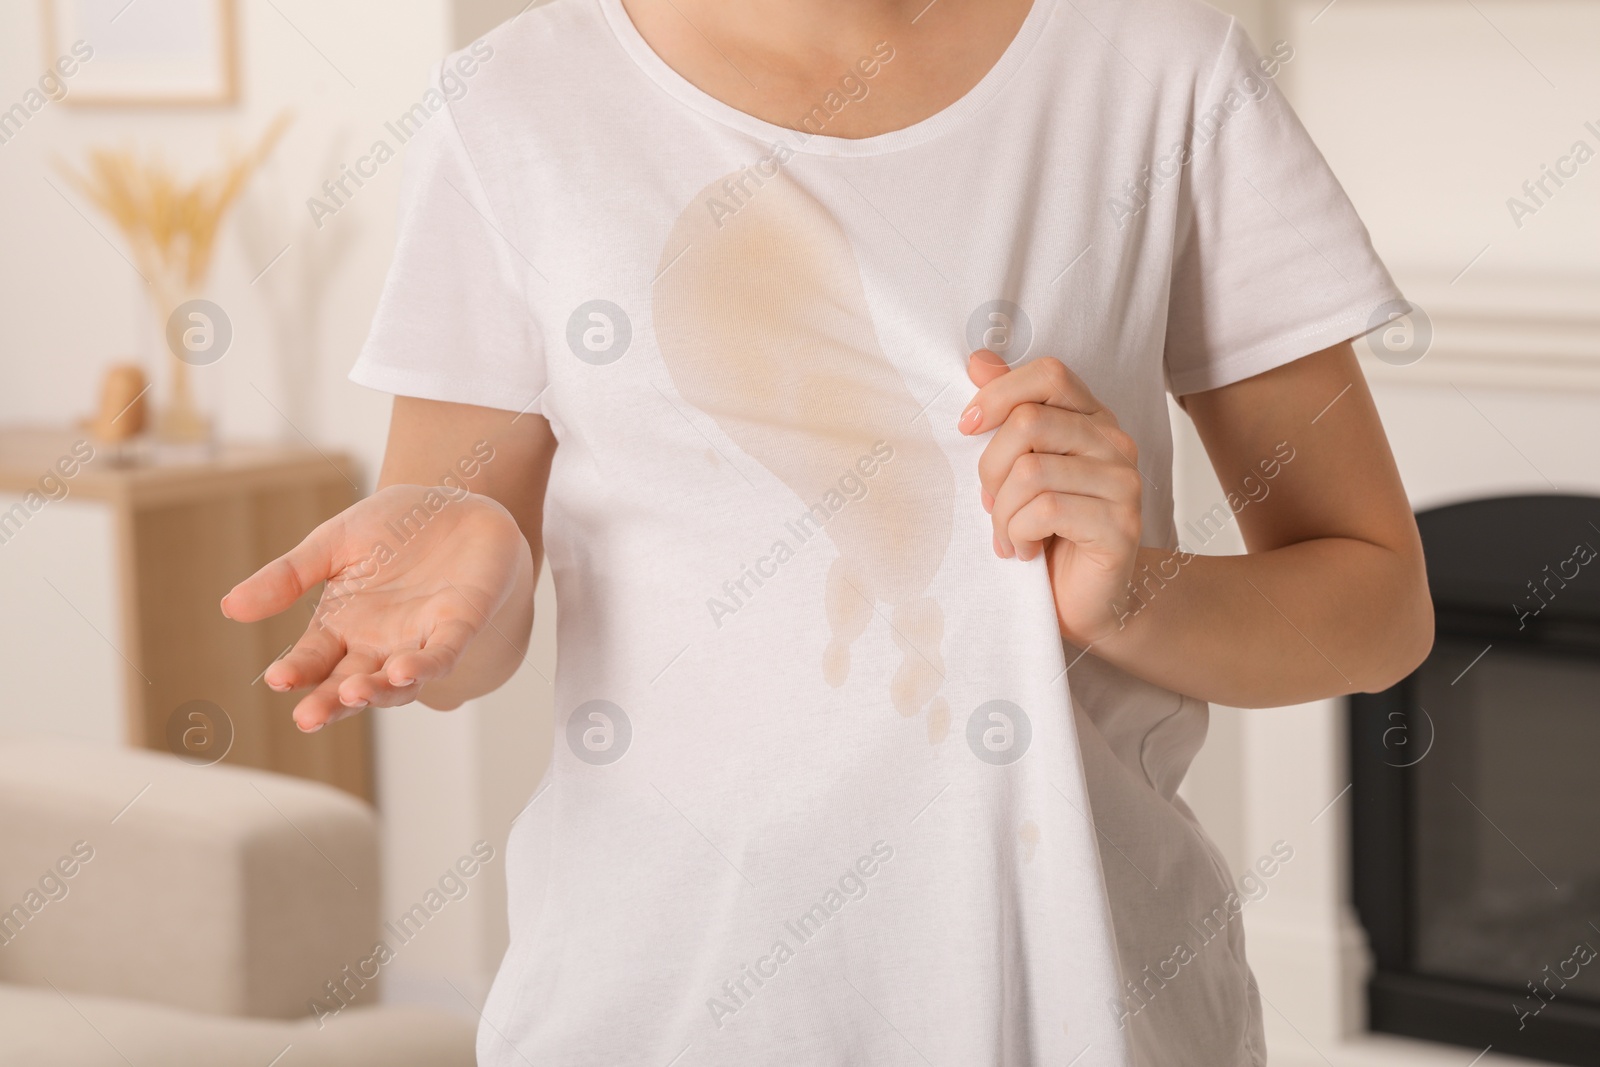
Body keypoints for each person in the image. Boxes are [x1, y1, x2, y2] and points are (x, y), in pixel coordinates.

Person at [222, 0, 1433, 1062]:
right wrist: (472, 591)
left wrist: (1132, 594)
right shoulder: (513, 104)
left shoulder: (1166, 81)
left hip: (1093, 1000)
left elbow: (1376, 611)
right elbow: (455, 652)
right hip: (656, 1005)